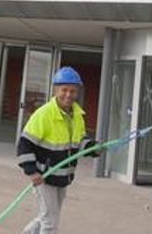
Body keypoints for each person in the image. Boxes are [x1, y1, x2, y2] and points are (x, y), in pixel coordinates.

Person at [16, 66, 100, 234]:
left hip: (63, 177)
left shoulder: (76, 115)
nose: (68, 95)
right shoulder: (44, 114)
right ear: (55, 90)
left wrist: (92, 148)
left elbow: (79, 140)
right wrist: (32, 171)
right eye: (64, 90)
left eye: (73, 91)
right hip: (45, 177)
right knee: (50, 222)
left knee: (46, 216)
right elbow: (24, 144)